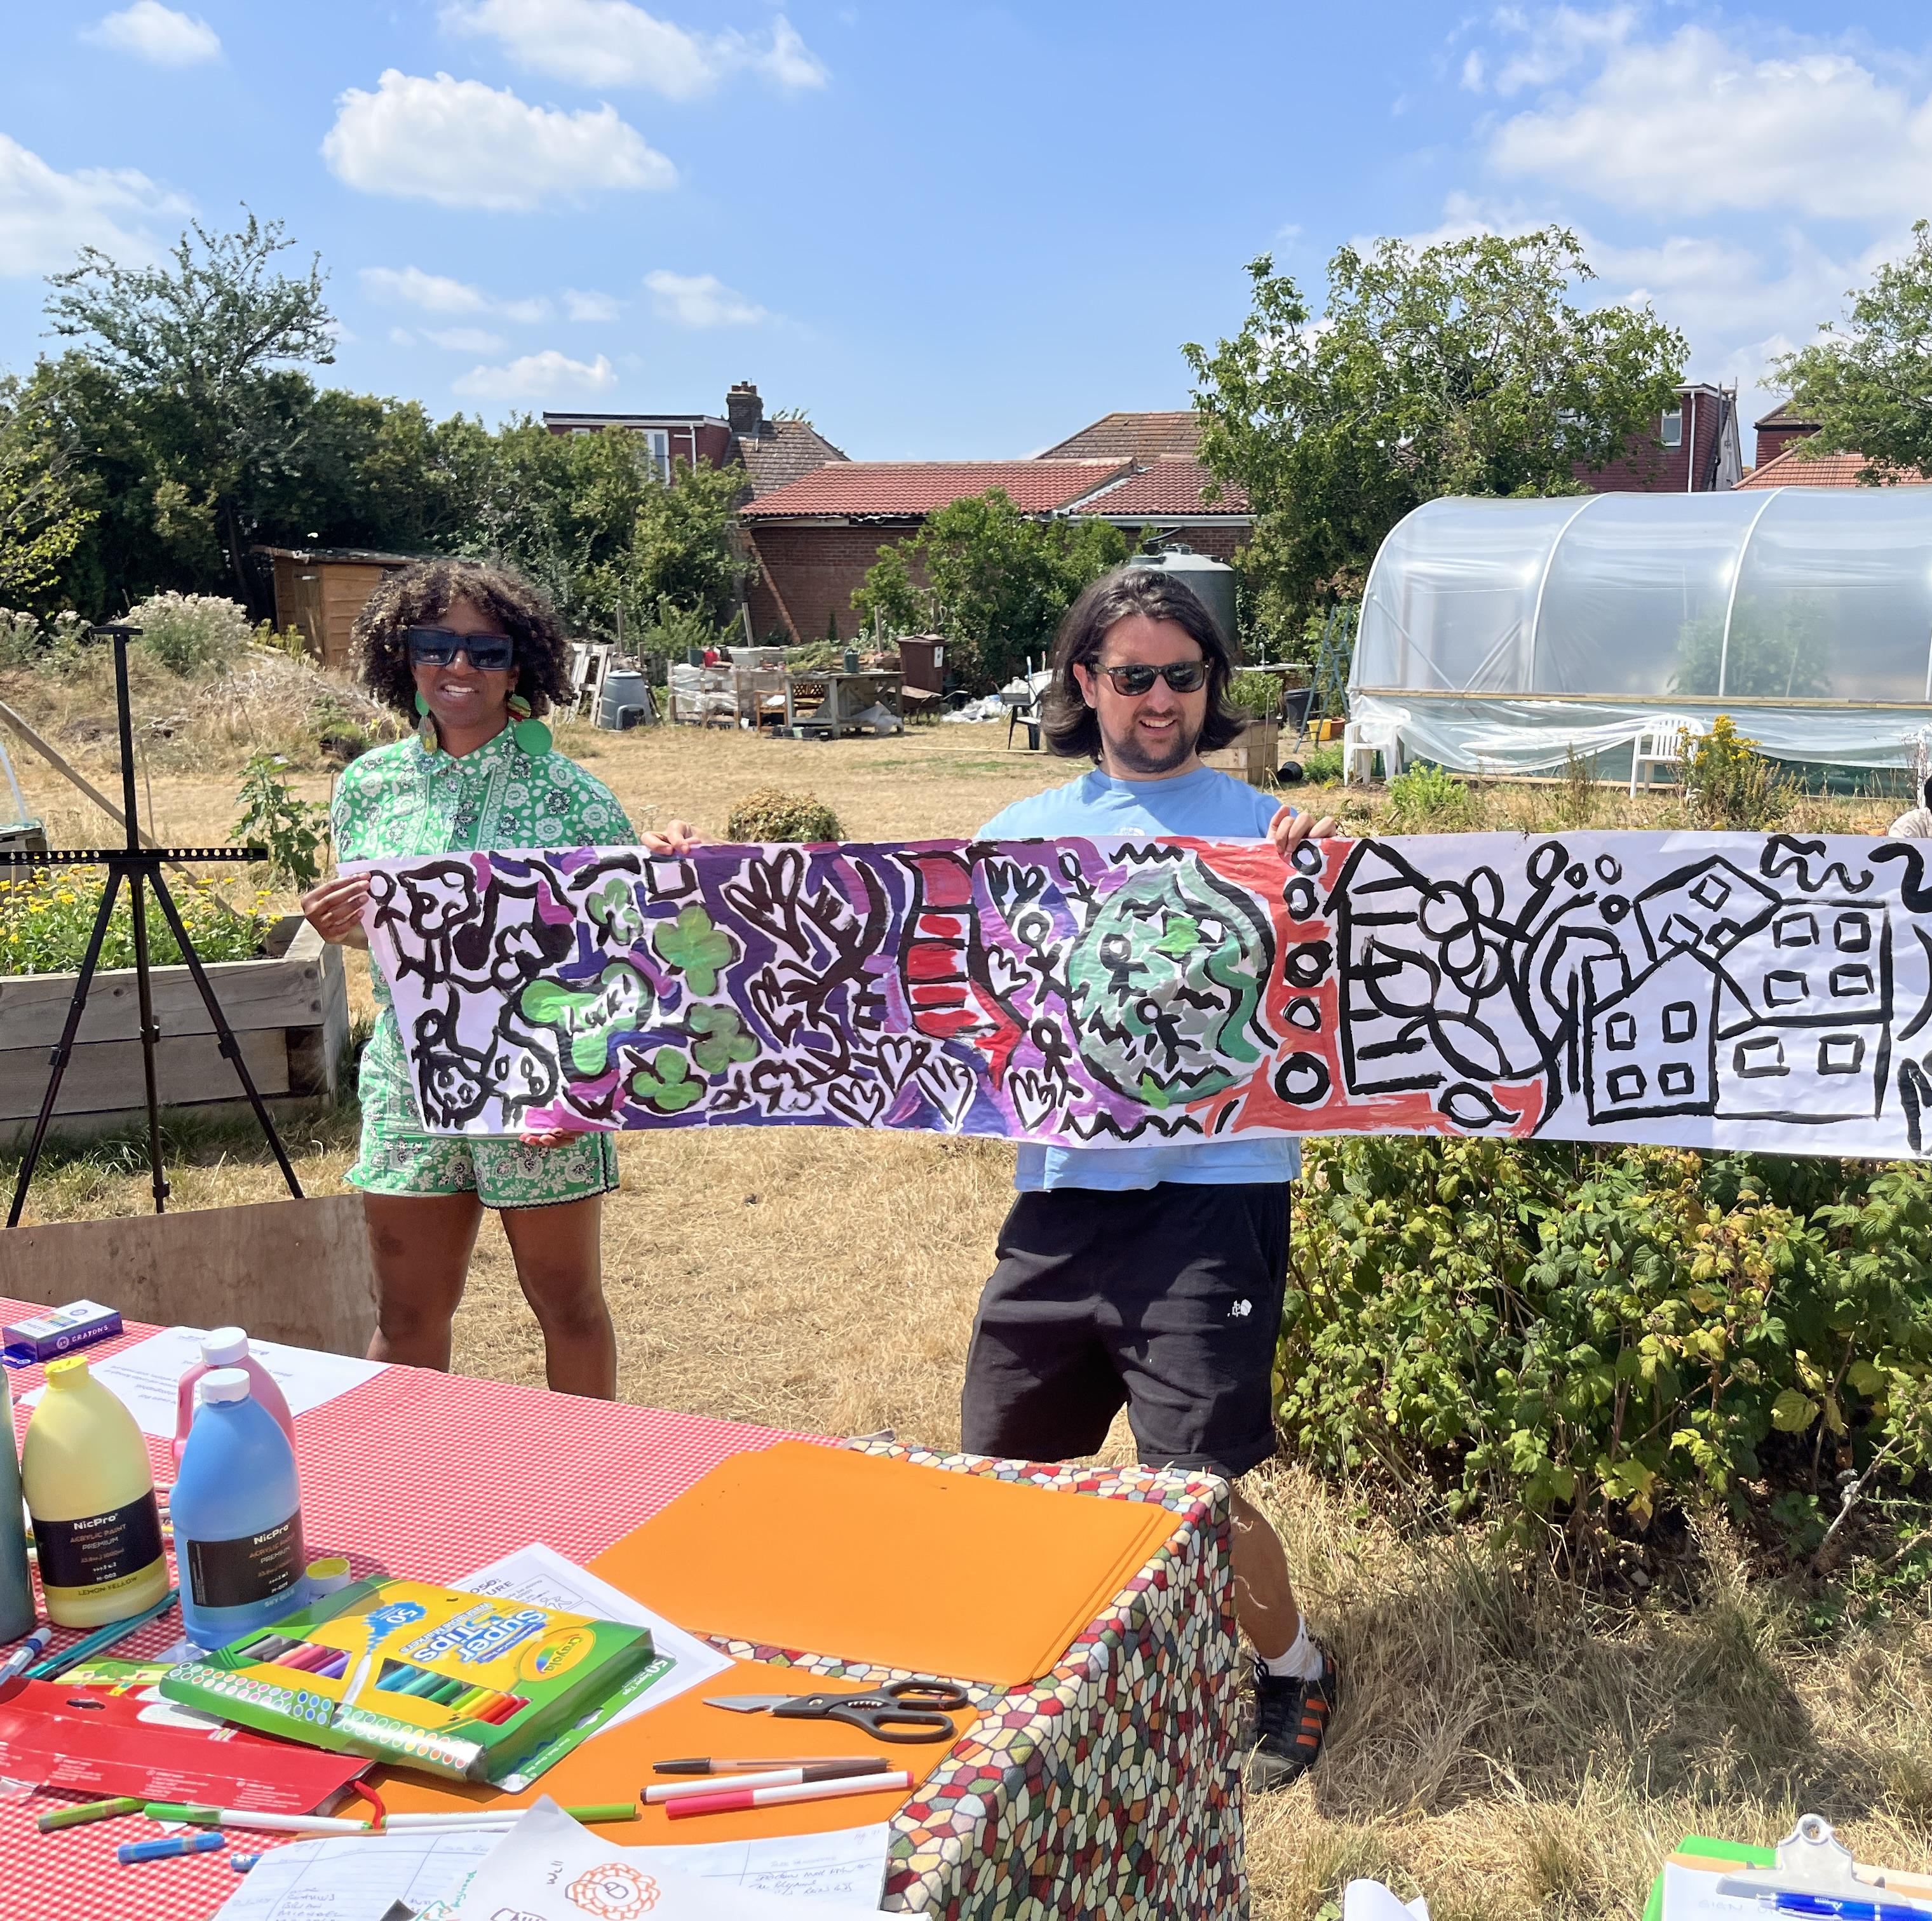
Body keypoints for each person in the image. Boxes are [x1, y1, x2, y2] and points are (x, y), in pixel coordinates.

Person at [650, 569, 1345, 1790]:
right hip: (1062, 1196)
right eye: (1133, 675)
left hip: (1213, 1198)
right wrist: (706, 881)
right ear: (1084, 681)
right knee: (1001, 1474)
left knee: (1191, 1494)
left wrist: (1332, 873)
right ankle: (1031, 1676)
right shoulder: (1021, 834)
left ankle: (1291, 1661)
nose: (1161, 699)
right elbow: (871, 944)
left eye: (1184, 676)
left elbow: (1348, 988)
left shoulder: (1259, 830)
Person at [299, 560, 637, 1399]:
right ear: (403, 656)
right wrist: (340, 923)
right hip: (410, 1082)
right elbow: (379, 939)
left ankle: (589, 1496)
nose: (458, 668)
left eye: (485, 651)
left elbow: (626, 952)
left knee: (566, 1303)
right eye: (436, 646)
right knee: (408, 1314)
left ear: (521, 665)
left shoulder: (574, 800)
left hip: (539, 1084)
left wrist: (580, 1086)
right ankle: (409, 1504)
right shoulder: (367, 787)